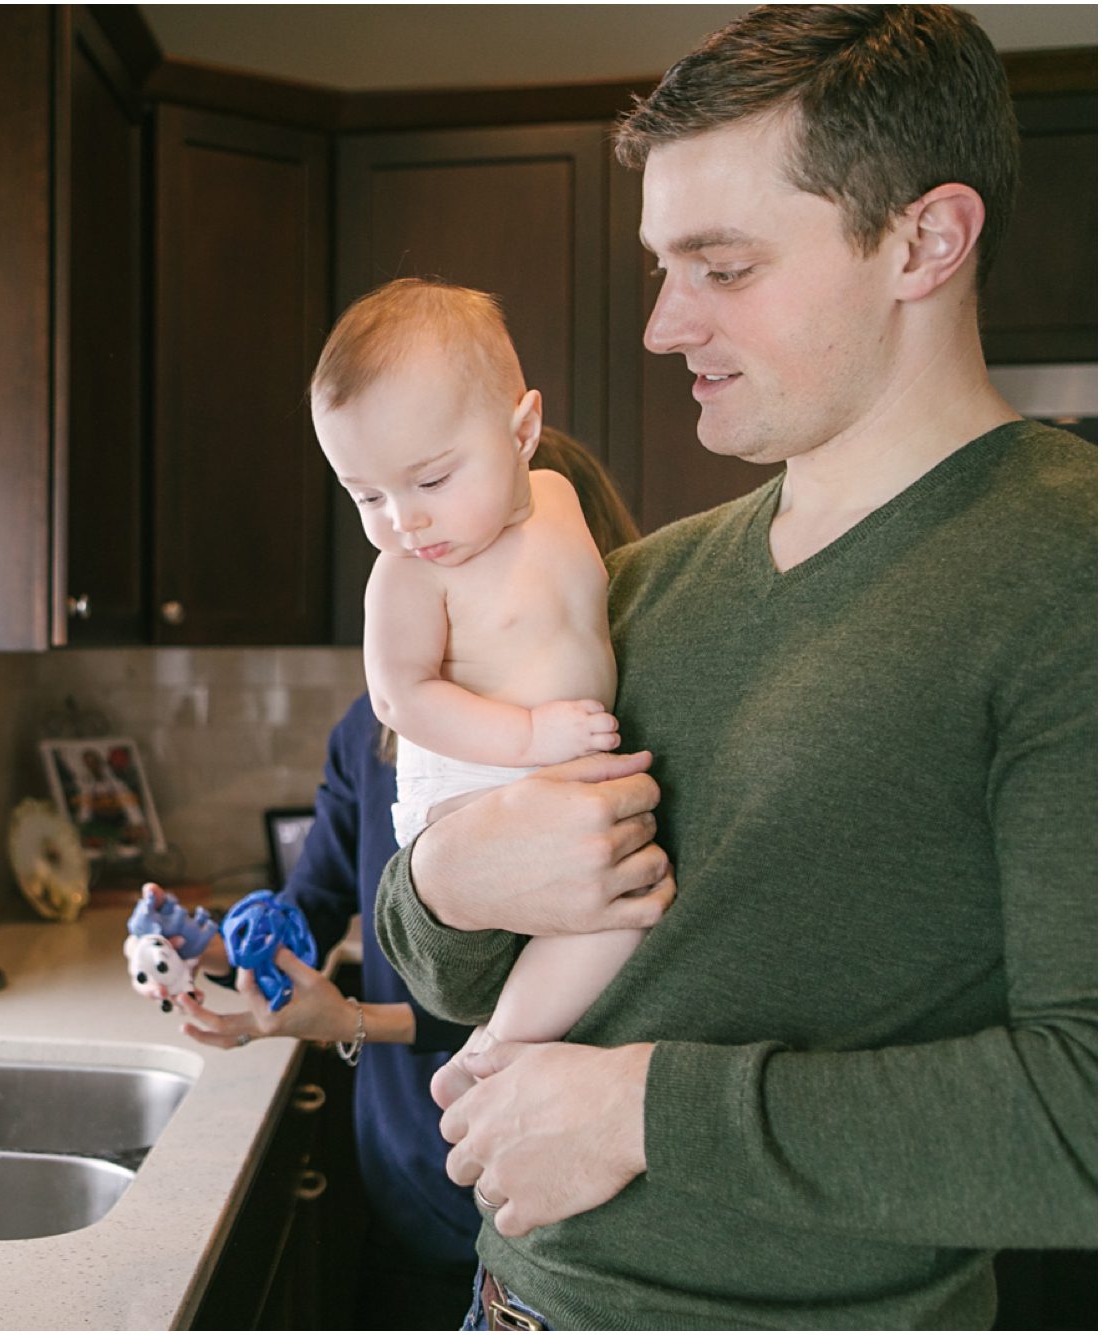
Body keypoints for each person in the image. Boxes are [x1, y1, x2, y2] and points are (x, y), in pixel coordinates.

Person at [371, 7, 1096, 1329]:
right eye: (663, 266)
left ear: (924, 241)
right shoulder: (639, 576)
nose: (661, 324)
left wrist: (650, 1110)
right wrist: (445, 877)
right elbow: (447, 963)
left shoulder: (1067, 570)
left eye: (723, 266)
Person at [174, 429, 641, 1328]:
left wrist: (349, 1020)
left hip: (551, 1176)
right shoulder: (374, 729)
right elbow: (308, 907)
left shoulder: (604, 727)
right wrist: (218, 942)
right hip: (404, 1173)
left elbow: (561, 970)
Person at [310, 278, 644, 1096]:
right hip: (474, 778)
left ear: (523, 429)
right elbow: (401, 700)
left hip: (558, 762)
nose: (402, 521)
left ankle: (501, 1048)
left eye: (428, 481)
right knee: (613, 915)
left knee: (628, 909)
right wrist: (529, 740)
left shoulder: (561, 499)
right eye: (367, 496)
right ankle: (496, 1049)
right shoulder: (407, 576)